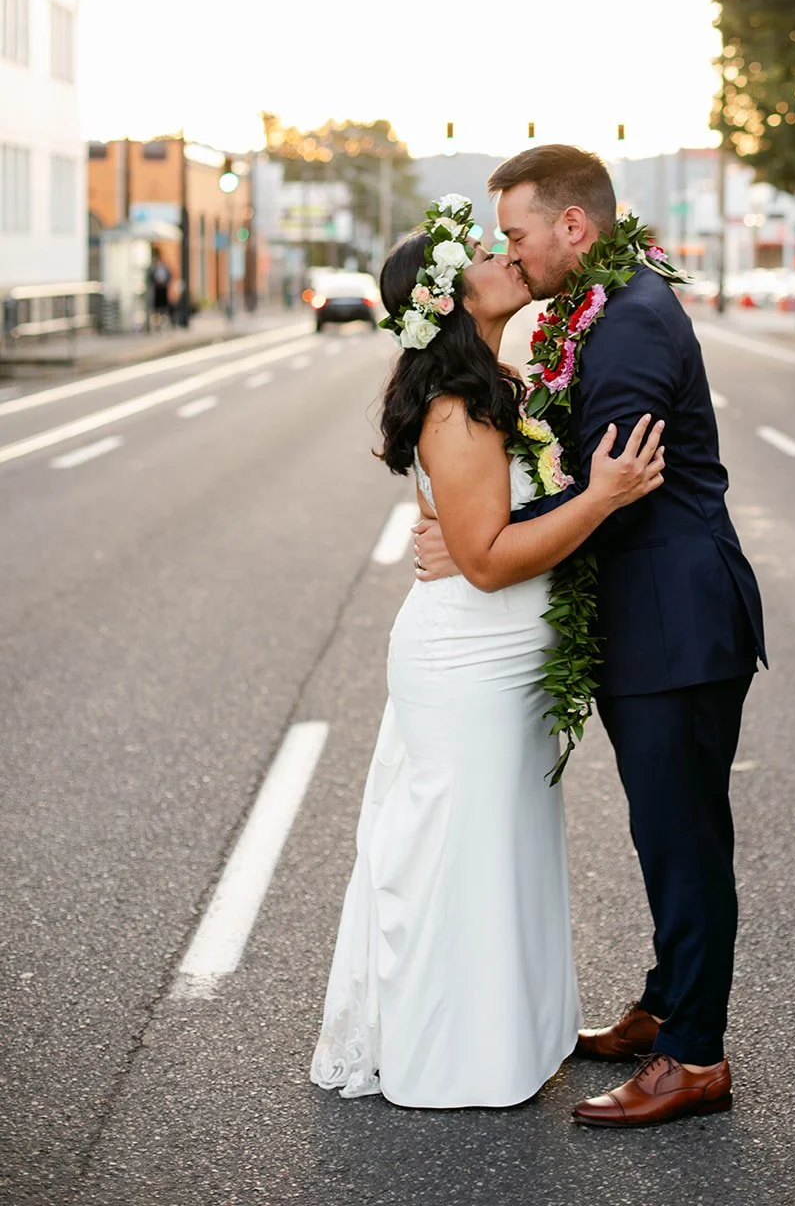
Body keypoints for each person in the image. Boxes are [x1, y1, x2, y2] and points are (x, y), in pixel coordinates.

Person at [416, 146, 767, 1128]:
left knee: (684, 837)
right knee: (664, 830)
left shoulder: (632, 327)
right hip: (648, 616)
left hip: (676, 619)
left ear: (573, 228)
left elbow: (608, 490)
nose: (510, 253)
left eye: (518, 233)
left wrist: (483, 537)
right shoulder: (603, 310)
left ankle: (693, 1056)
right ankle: (665, 1006)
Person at [309, 201, 665, 1110]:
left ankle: (502, 1037)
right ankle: (449, 1055)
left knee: (501, 850)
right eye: (480, 255)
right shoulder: (460, 410)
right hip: (471, 662)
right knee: (458, 855)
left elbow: (475, 532)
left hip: (498, 657)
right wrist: (605, 496)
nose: (502, 258)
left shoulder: (493, 384)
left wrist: (471, 530)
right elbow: (489, 558)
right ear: (449, 300)